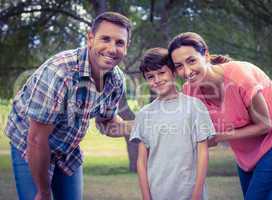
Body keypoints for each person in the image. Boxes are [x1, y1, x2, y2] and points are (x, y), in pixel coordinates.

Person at [5, 12, 133, 200]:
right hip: (30, 143)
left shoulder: (116, 79)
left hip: (67, 147)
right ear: (90, 38)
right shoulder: (61, 73)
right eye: (105, 39)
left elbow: (105, 123)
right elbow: (37, 139)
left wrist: (139, 127)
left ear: (126, 47)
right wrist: (44, 191)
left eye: (119, 42)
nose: (112, 49)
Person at [168, 32, 272, 200]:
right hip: (244, 145)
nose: (187, 71)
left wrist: (219, 136)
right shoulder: (190, 91)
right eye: (179, 66)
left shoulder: (239, 77)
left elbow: (264, 124)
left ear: (206, 55)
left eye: (191, 61)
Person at [130, 47, 215, 200]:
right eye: (150, 76)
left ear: (174, 72)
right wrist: (146, 197)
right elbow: (141, 162)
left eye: (162, 73)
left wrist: (197, 194)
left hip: (190, 193)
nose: (157, 80)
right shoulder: (144, 114)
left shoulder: (195, 107)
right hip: (158, 193)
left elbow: (203, 154)